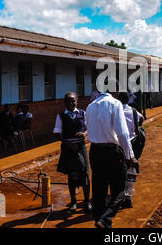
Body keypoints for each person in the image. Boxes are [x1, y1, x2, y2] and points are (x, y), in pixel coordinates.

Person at [86, 89, 139, 229]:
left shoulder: (90, 106)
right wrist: (130, 156)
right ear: (114, 91)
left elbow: (89, 128)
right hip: (111, 151)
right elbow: (122, 133)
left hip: (94, 150)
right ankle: (106, 219)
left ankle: (99, 220)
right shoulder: (115, 103)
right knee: (120, 190)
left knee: (99, 190)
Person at [53, 92, 92, 213]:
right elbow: (58, 134)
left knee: (85, 172)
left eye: (73, 100)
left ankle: (86, 202)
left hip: (80, 147)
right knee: (72, 174)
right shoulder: (61, 116)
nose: (70, 103)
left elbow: (88, 128)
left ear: (77, 101)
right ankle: (74, 201)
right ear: (64, 103)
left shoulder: (82, 113)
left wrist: (84, 134)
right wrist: (70, 144)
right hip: (68, 147)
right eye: (68, 101)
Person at [118, 92, 144, 209]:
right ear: (128, 100)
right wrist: (135, 128)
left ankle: (119, 196)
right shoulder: (133, 111)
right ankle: (128, 198)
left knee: (118, 170)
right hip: (132, 144)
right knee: (131, 169)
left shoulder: (116, 111)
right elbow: (141, 118)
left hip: (118, 145)